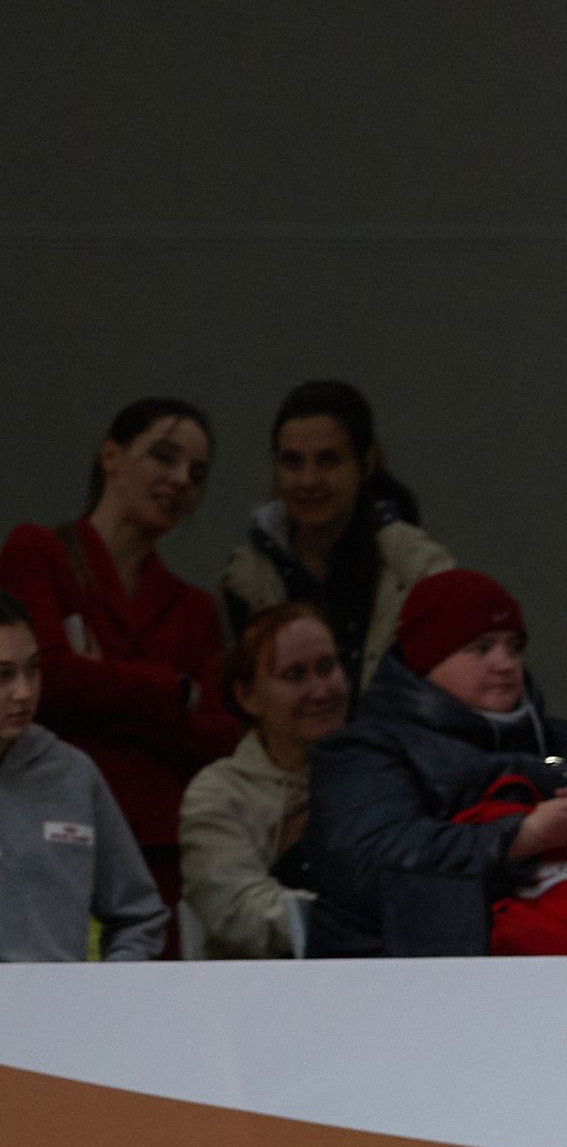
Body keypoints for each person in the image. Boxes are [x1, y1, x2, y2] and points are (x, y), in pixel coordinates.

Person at [307, 570, 567, 958]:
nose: (505, 664)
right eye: (480, 647)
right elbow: (374, 864)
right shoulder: (365, 750)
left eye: (513, 647)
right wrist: (524, 837)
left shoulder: (563, 742)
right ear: (426, 659)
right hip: (418, 987)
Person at [0, 397, 238, 955]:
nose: (180, 480)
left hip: (160, 851)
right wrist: (169, 693)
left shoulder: (193, 606)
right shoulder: (40, 552)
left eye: (197, 474)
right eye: (164, 456)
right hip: (42, 810)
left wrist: (98, 690)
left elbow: (220, 738)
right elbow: (52, 681)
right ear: (111, 454)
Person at [218, 380, 455, 696]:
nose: (308, 480)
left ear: (366, 464)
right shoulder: (245, 582)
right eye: (292, 462)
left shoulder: (418, 570)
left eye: (328, 461)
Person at [0, 589, 168, 961]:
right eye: (3, 675)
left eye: (33, 668)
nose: (24, 692)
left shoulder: (73, 773)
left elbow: (138, 918)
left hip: (58, 1014)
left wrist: (101, 1001)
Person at [178, 602, 349, 959]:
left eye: (326, 667)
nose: (320, 691)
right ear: (247, 696)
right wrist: (359, 919)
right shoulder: (218, 793)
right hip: (254, 1001)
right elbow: (238, 910)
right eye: (295, 675)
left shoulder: (382, 771)